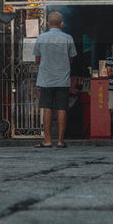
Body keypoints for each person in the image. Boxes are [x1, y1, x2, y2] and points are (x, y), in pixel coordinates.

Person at [33, 10, 76, 148]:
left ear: (47, 24)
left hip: (46, 79)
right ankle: (60, 140)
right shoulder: (68, 38)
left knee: (47, 108)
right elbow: (71, 58)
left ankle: (47, 140)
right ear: (61, 24)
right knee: (62, 108)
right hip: (62, 79)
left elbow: (37, 59)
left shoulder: (41, 38)